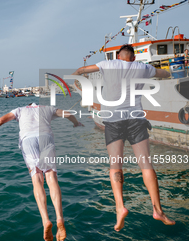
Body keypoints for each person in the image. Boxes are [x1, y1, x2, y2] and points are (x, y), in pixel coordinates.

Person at [73, 44, 175, 231]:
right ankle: (158, 210)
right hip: (136, 119)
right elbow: (164, 74)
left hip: (113, 121)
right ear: (133, 58)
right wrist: (169, 72)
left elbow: (81, 70)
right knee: (146, 164)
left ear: (118, 56)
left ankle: (120, 208)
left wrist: (77, 80)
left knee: (115, 166)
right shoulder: (143, 68)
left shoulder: (107, 64)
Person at [0, 103, 83, 241]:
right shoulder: (48, 108)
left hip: (28, 141)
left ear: (28, 106)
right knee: (51, 177)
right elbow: (69, 114)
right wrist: (76, 123)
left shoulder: (19, 110)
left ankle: (46, 220)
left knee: (37, 179)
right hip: (45, 138)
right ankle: (59, 218)